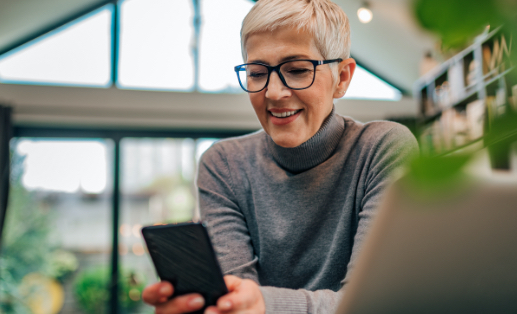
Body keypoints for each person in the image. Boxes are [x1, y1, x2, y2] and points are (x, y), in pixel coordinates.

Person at [143, 0, 418, 313]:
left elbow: (372, 302)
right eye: (258, 73)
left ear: (341, 78)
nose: (273, 92)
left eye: (298, 70)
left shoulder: (381, 148)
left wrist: (264, 304)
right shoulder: (224, 165)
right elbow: (237, 300)